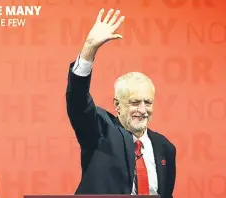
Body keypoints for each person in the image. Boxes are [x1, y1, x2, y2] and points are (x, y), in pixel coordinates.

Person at [66, 8, 176, 198]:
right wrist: (89, 49)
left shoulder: (165, 147)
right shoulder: (101, 131)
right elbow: (77, 100)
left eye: (147, 102)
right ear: (117, 105)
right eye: (134, 102)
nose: (142, 110)